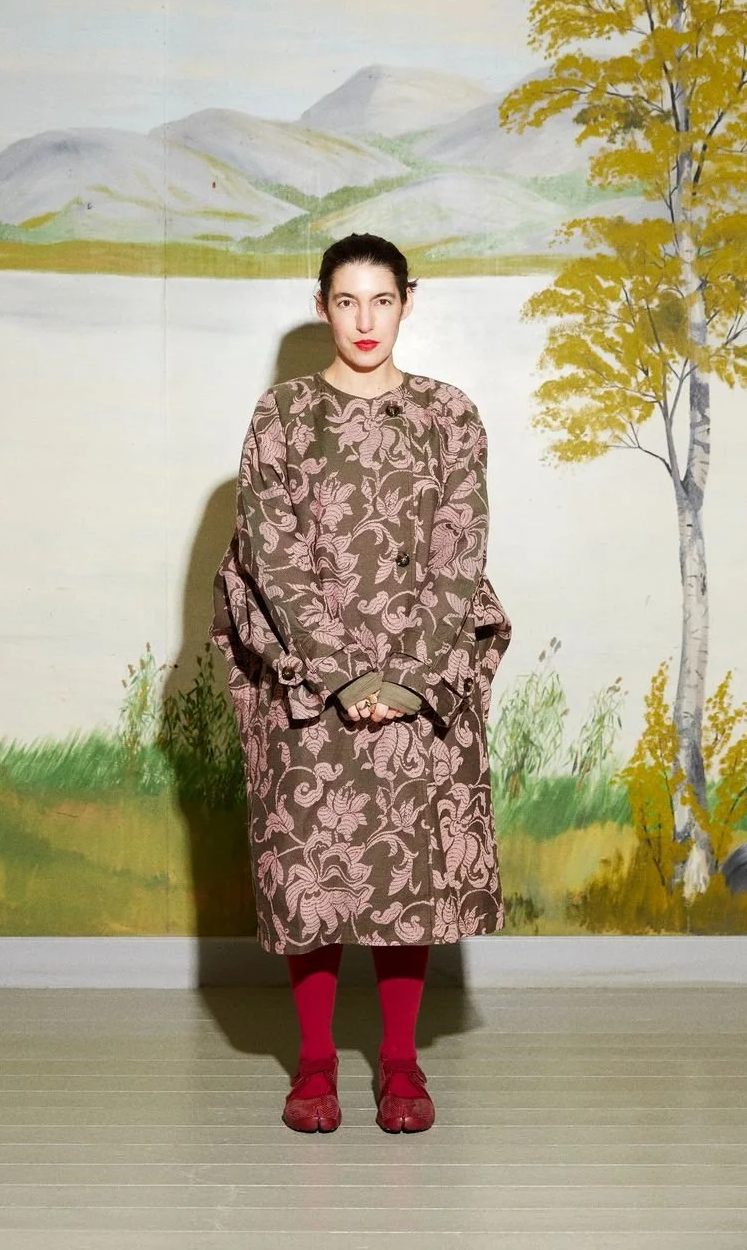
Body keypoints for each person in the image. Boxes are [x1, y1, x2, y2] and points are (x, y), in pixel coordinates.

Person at [210, 231, 512, 1134]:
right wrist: (342, 675)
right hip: (310, 675)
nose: (365, 320)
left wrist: (409, 679)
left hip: (422, 667)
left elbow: (460, 549)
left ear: (408, 303)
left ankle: (401, 1064)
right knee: (311, 867)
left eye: (382, 300)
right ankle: (312, 1066)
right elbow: (271, 554)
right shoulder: (283, 414)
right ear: (322, 307)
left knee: (403, 871)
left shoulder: (450, 414)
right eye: (347, 301)